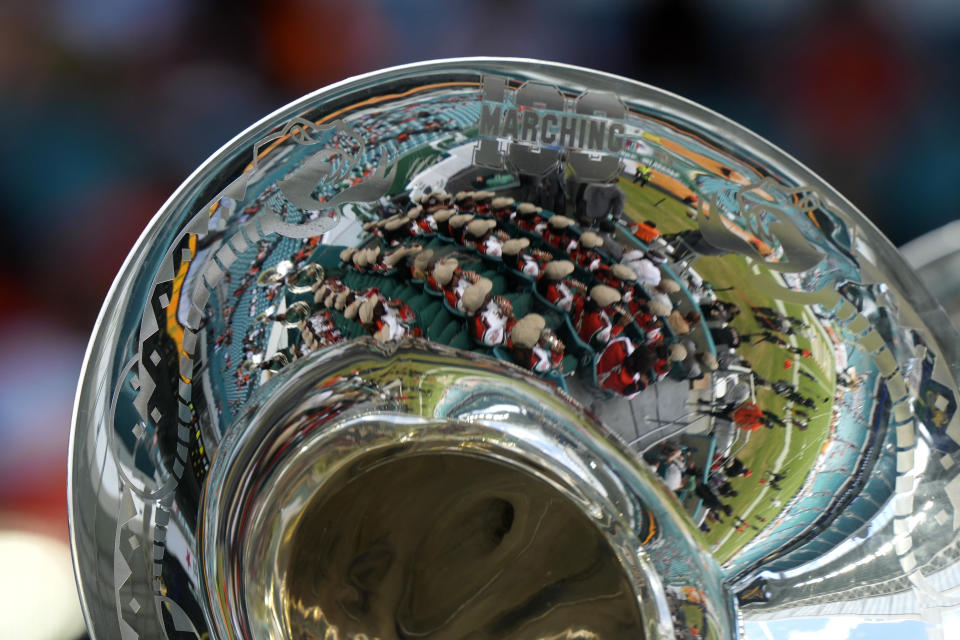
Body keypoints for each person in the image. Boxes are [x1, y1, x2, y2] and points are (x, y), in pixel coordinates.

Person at [577, 284, 630, 349]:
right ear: (604, 305)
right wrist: (619, 326)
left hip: (577, 332)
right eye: (611, 303)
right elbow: (606, 347)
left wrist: (610, 310)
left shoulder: (581, 300)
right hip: (583, 345)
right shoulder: (601, 327)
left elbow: (599, 310)